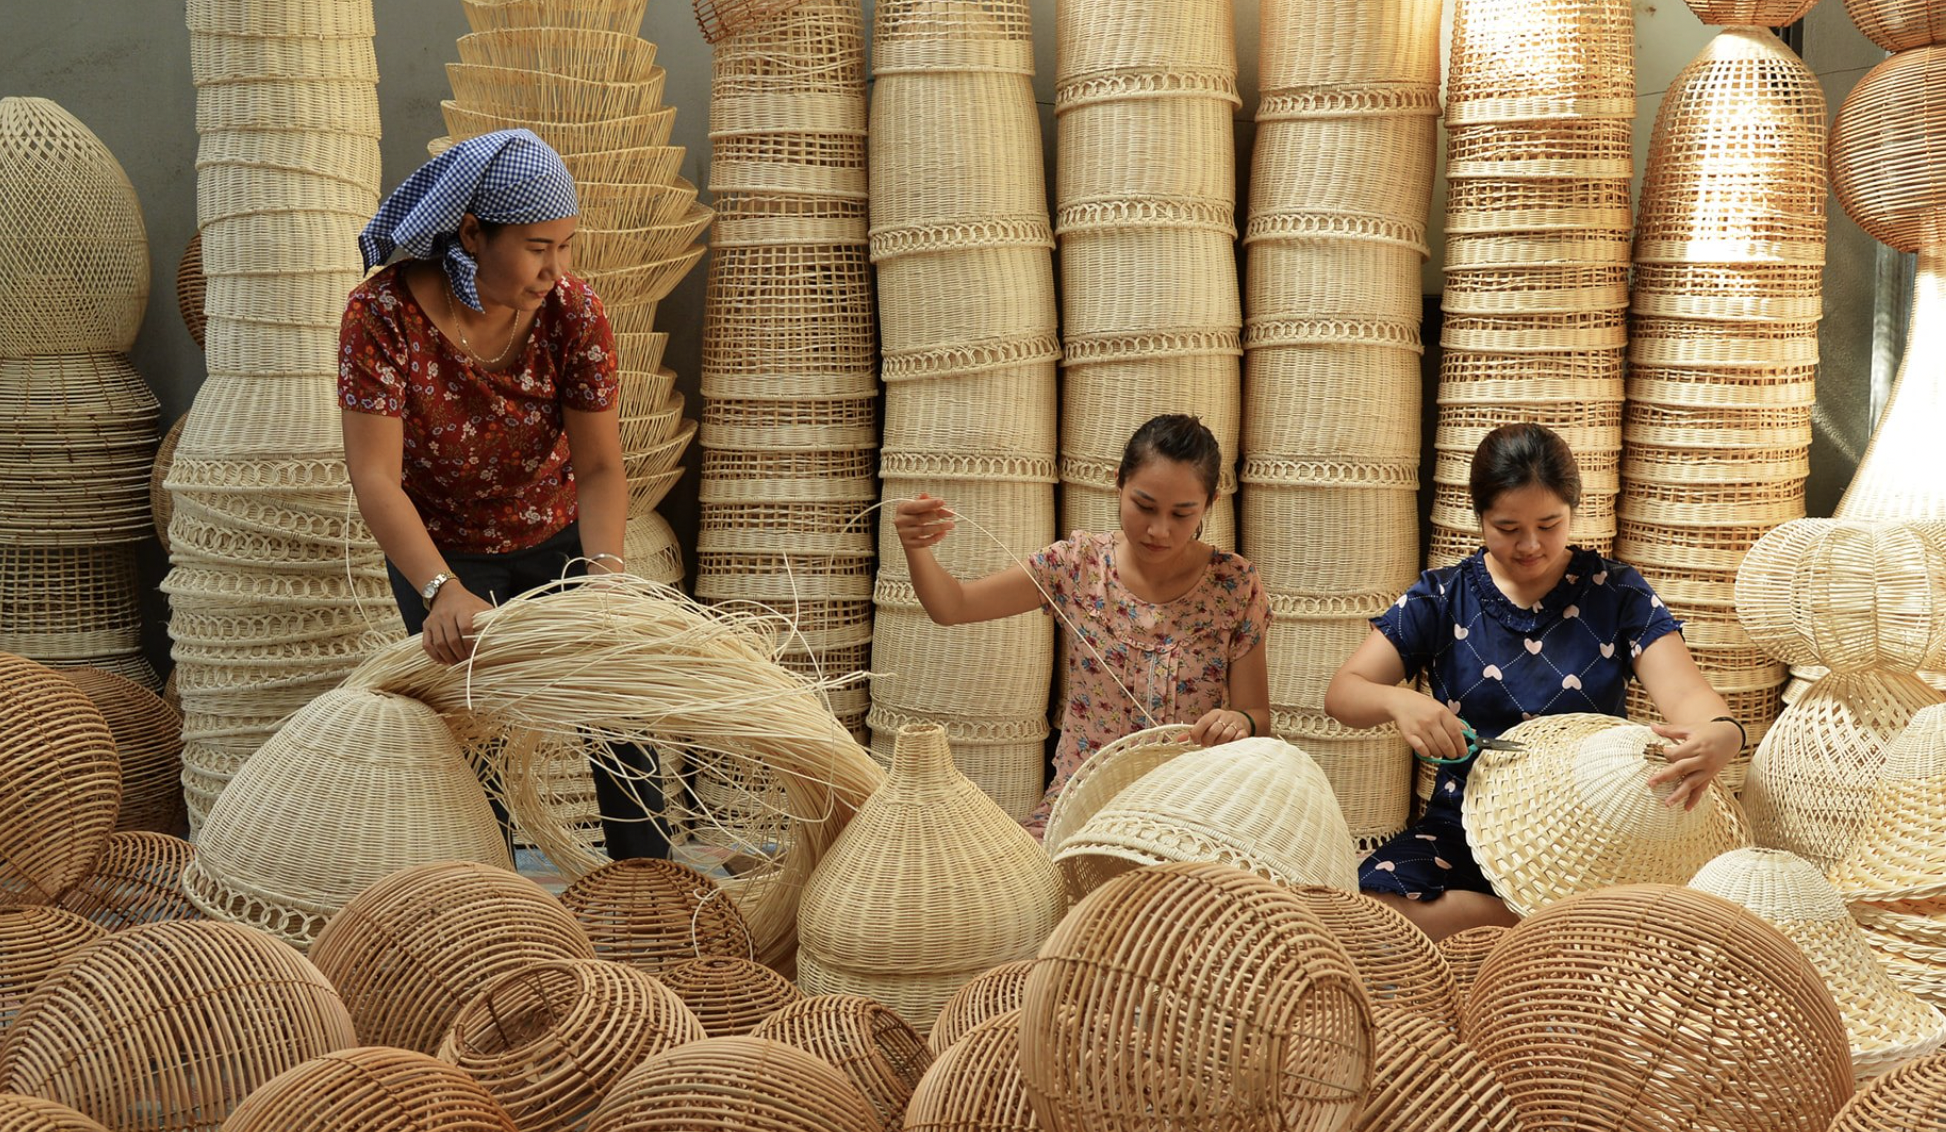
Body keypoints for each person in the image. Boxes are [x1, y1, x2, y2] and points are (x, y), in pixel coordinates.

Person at [338, 128, 663, 860]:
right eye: (537, 245)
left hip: (555, 534)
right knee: (472, 734)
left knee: (619, 705)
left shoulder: (574, 313)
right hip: (441, 548)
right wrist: (440, 589)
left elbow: (602, 468)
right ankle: (494, 907)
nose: (555, 267)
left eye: (567, 245)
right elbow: (375, 479)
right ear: (472, 233)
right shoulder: (380, 318)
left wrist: (604, 577)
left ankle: (650, 887)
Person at [1324, 422, 1744, 941]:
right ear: (1478, 517)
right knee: (1369, 908)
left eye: (1550, 524)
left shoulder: (1617, 593)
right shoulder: (1441, 596)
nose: (1530, 545)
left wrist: (1724, 733)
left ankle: (1544, 927)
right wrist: (1396, 701)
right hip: (1461, 827)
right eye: (1507, 527)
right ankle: (1544, 929)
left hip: (1587, 839)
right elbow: (1343, 694)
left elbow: (1686, 695)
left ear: (1573, 509)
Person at [893, 414, 1271, 835]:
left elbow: (1256, 714)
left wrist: (1239, 722)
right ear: (1118, 483)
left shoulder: (1234, 584)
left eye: (1182, 514)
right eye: (1144, 506)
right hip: (1084, 797)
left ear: (1210, 504)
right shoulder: (1079, 566)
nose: (1159, 530)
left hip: (1190, 804)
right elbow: (954, 606)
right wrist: (916, 549)